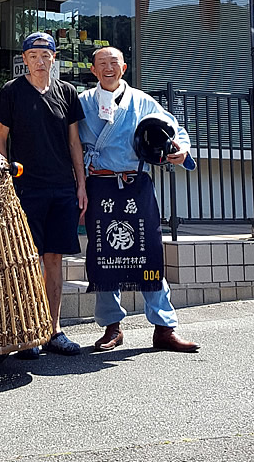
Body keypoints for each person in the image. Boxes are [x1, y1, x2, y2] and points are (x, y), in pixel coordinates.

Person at [78, 46, 199, 353]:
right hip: (99, 184)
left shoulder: (143, 101)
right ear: (92, 70)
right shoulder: (81, 104)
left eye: (113, 63)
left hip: (136, 184)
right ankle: (112, 327)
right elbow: (68, 143)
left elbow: (174, 130)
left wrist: (180, 150)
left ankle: (164, 327)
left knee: (150, 253)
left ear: (124, 67)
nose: (108, 68)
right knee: (104, 255)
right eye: (101, 63)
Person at [0, 31, 87, 357]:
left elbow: (75, 143)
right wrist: (3, 177)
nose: (40, 61)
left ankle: (52, 329)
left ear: (54, 58)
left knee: (54, 259)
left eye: (46, 55)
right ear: (25, 60)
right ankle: (26, 331)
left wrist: (81, 185)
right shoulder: (12, 92)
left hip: (62, 187)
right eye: (34, 55)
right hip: (25, 187)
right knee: (26, 260)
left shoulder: (67, 93)